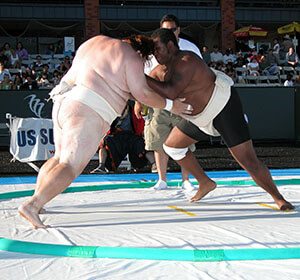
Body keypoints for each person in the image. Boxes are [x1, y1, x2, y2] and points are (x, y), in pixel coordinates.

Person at [18, 34, 191, 229]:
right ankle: (33, 205)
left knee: (59, 158)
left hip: (62, 101)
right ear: (142, 53)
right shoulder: (131, 57)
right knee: (69, 165)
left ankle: (38, 200)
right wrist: (170, 105)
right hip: (87, 109)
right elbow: (142, 93)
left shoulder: (95, 41)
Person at [146, 28, 294, 211]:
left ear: (170, 45)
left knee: (248, 161)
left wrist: (141, 78)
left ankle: (278, 198)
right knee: (172, 146)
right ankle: (205, 182)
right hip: (199, 118)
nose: (156, 55)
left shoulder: (188, 60)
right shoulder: (157, 72)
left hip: (223, 107)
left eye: (158, 49)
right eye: (153, 51)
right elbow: (145, 89)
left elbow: (171, 91)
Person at [141, 14, 201, 191]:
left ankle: (186, 180)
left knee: (184, 142)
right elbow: (144, 76)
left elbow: (199, 73)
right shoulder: (153, 49)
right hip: (159, 100)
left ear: (178, 30)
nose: (169, 32)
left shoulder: (190, 48)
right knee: (158, 141)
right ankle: (162, 179)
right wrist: (140, 102)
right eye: (166, 29)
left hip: (183, 100)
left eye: (172, 29)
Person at [91, 100, 154, 173]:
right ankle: (101, 166)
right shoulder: (111, 109)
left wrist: (145, 137)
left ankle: (155, 164)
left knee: (142, 143)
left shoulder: (133, 108)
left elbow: (140, 123)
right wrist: (103, 136)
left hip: (131, 135)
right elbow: (104, 123)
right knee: (105, 142)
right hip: (116, 135)